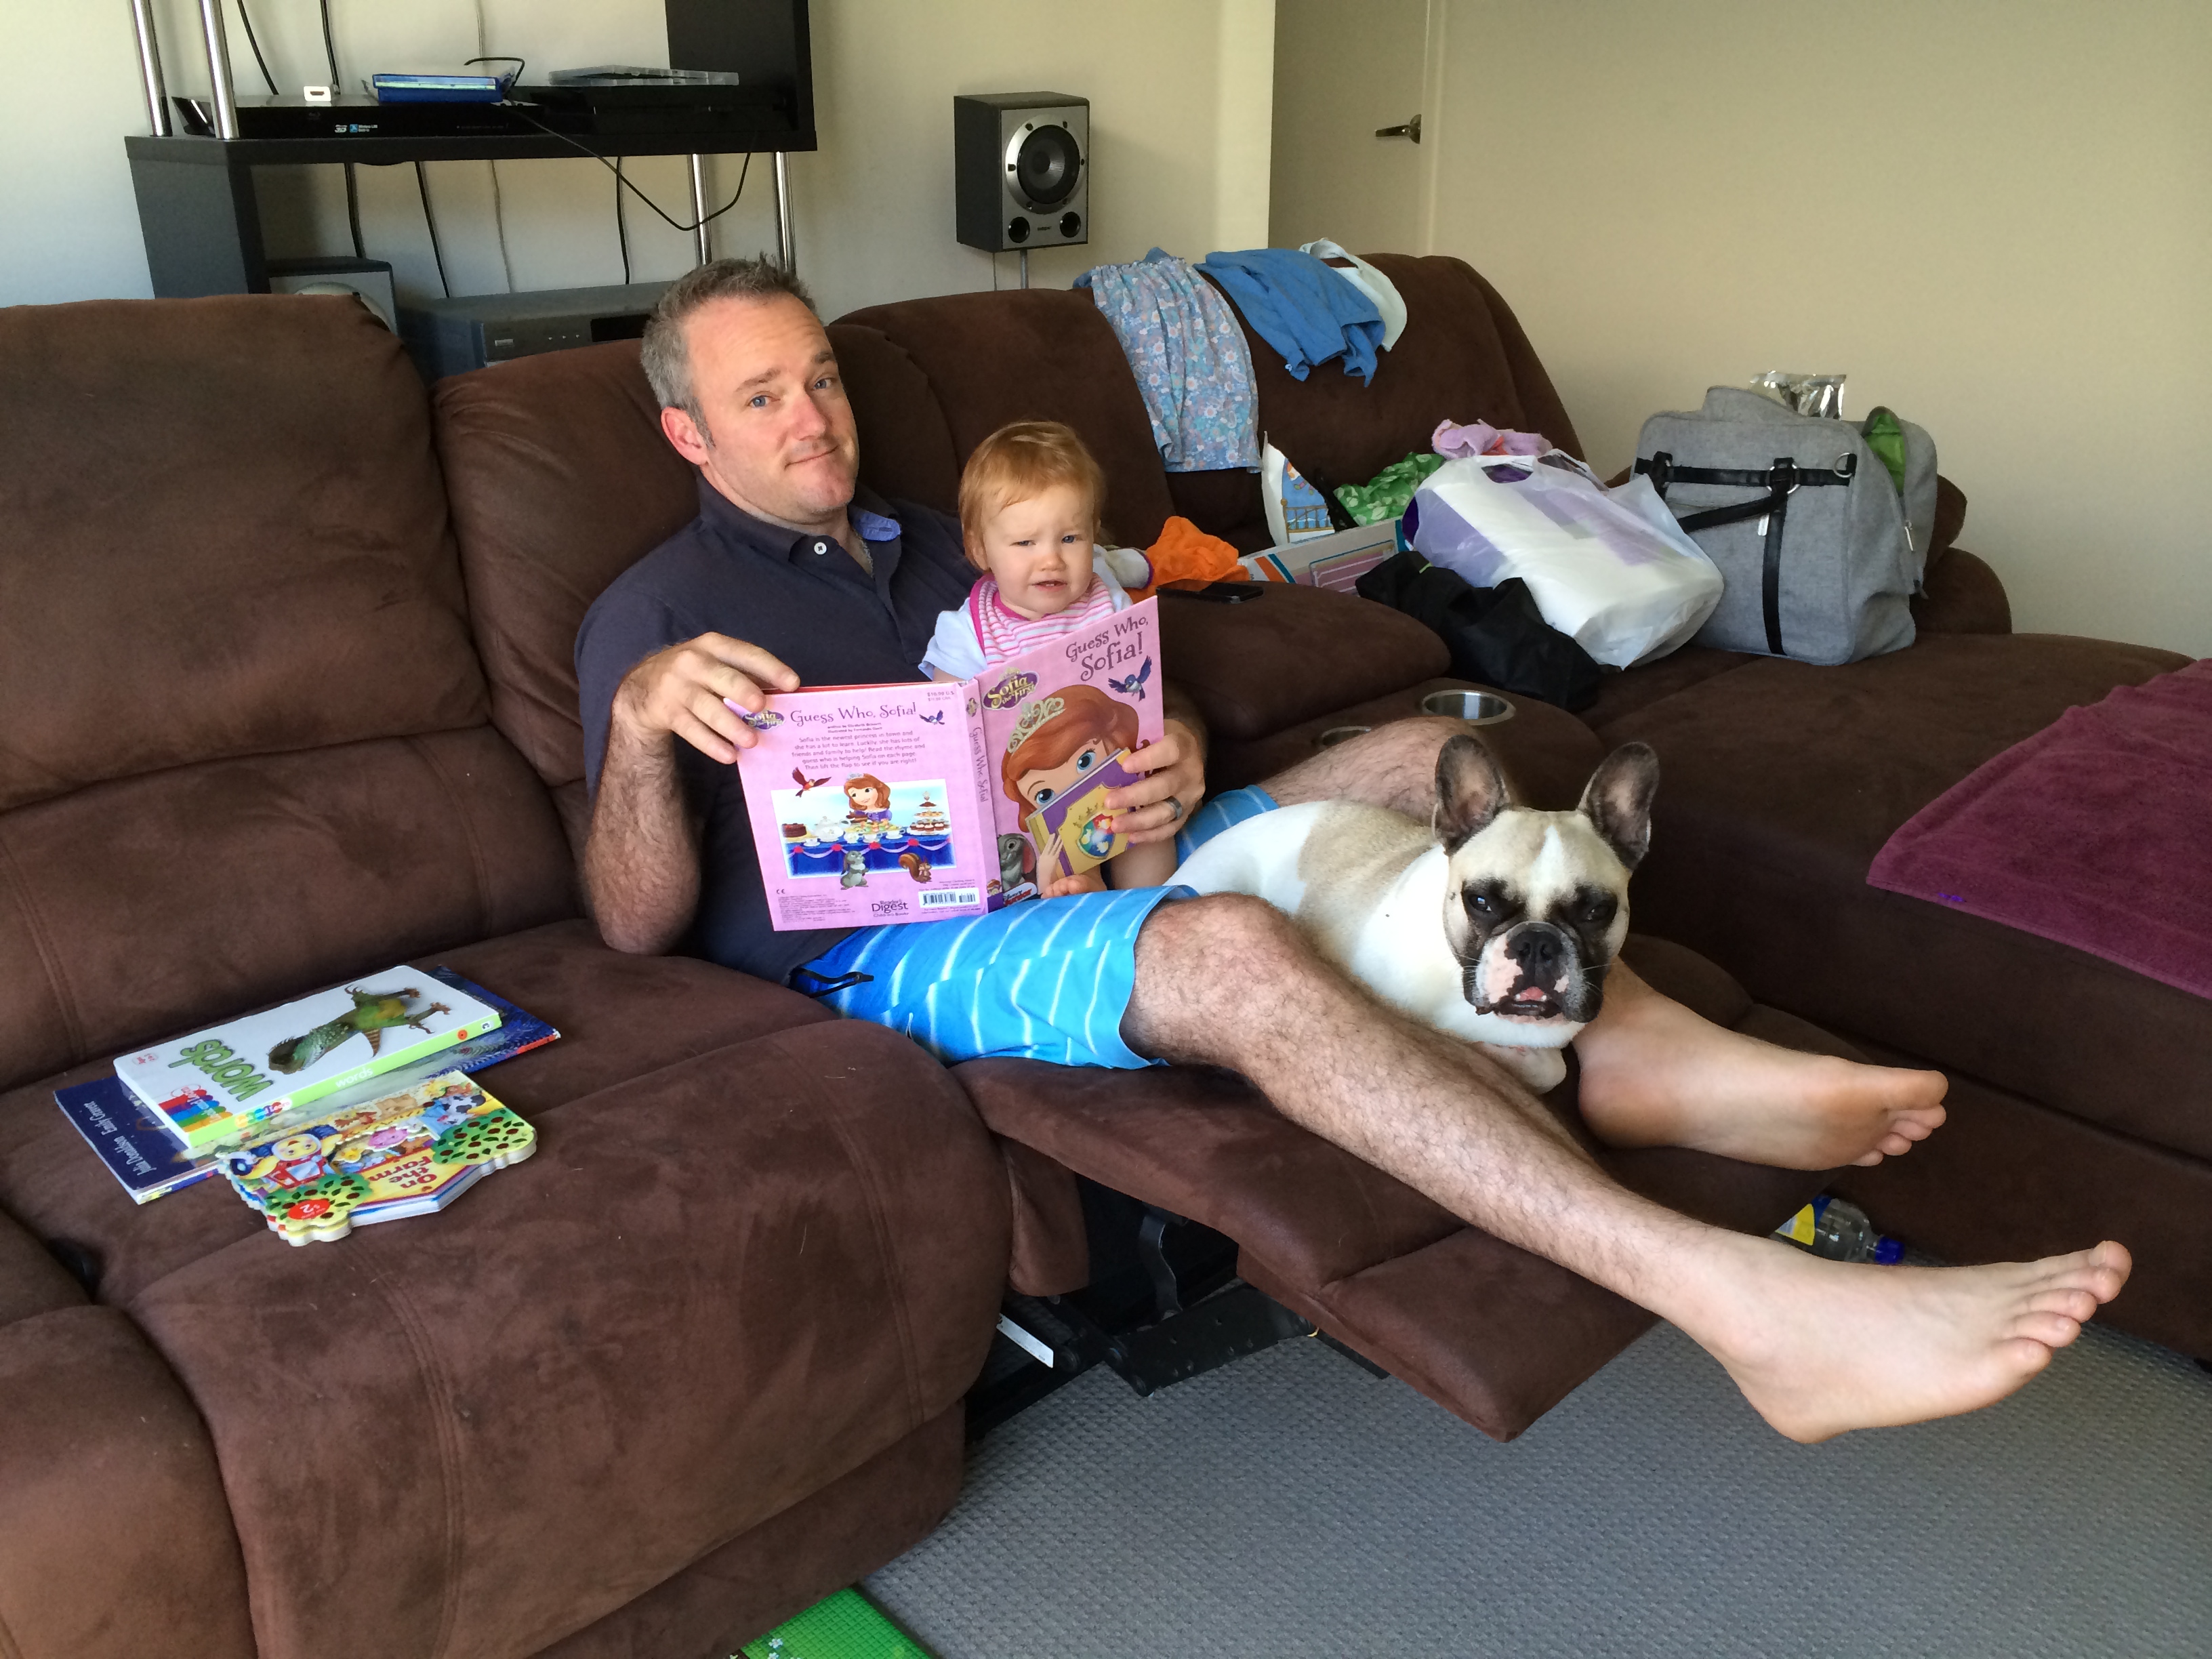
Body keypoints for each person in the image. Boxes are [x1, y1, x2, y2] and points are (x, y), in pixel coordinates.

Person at [576, 258, 2129, 1445]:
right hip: (893, 941)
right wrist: (646, 726)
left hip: (1098, 849)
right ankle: (1735, 1297)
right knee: (1233, 951)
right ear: (685, 429)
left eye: (822, 377)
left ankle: (1641, 1042)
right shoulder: (650, 615)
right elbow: (631, 923)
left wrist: (1169, 752)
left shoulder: (948, 533)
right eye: (763, 394)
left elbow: (1110, 683)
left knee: (1422, 756)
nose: (812, 416)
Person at [922, 419, 1177, 896]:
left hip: (1109, 773)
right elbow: (943, 723)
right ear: (981, 548)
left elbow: (1141, 683)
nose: (1051, 560)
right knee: (1054, 864)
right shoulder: (967, 632)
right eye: (1025, 543)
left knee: (1147, 827)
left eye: (1071, 539)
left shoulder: (1108, 601)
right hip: (1038, 798)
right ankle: (1084, 901)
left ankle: (1152, 906)